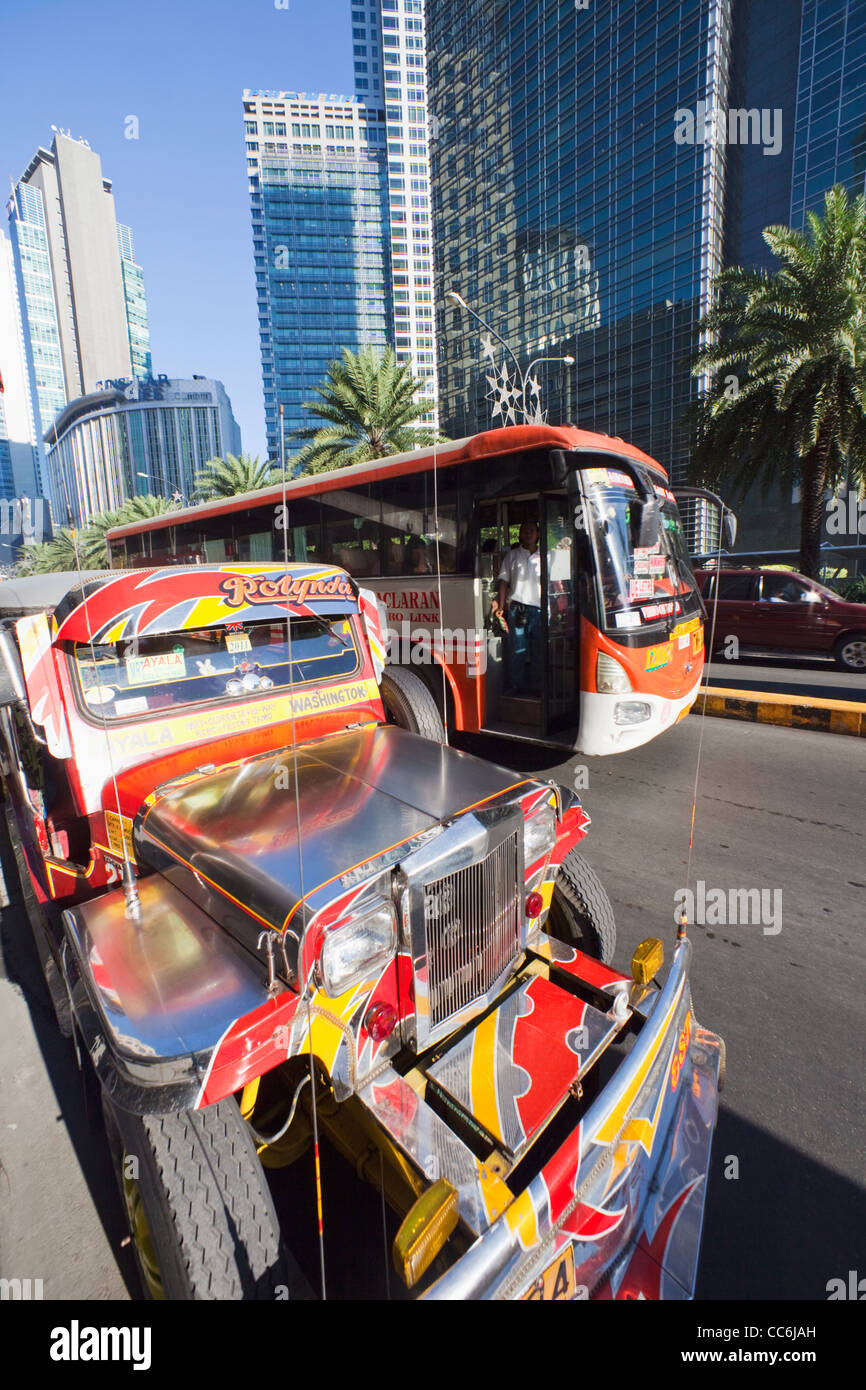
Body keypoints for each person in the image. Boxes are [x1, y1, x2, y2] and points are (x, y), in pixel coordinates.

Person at [492, 519, 541, 694]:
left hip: (539, 610)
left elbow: (555, 583)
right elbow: (504, 582)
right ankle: (516, 686)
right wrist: (502, 604)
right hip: (517, 609)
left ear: (538, 534)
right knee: (517, 649)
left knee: (538, 650)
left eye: (532, 530)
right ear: (520, 534)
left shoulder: (545, 556)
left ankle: (537, 687)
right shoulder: (512, 555)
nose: (528, 533)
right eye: (525, 530)